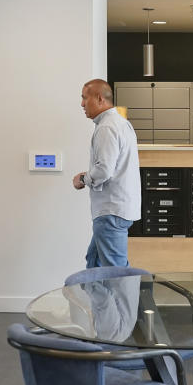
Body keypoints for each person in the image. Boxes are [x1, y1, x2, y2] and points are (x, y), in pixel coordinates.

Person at [72, 79, 141, 268]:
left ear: (100, 98)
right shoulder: (120, 123)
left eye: (84, 98)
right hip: (116, 209)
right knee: (94, 262)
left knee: (115, 272)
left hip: (111, 211)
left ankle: (125, 299)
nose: (82, 104)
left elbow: (104, 170)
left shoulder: (106, 127)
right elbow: (111, 165)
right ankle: (97, 298)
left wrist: (83, 179)